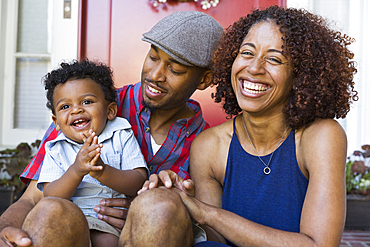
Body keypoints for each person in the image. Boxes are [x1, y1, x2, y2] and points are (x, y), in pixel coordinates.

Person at [0, 11, 223, 247]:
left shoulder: (207, 142)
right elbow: (34, 197)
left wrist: (153, 214)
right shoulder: (89, 107)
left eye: (175, 70)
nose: (156, 75)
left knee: (159, 208)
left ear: (203, 80)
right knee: (51, 210)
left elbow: (212, 232)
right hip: (74, 232)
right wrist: (4, 231)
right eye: (153, 58)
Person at [140, 5, 358, 247]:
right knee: (159, 204)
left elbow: (320, 245)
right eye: (246, 53)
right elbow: (215, 241)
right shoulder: (210, 145)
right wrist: (183, 201)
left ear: (301, 76)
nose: (253, 69)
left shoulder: (320, 136)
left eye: (274, 59)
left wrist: (208, 213)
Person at [36, 60, 148, 247]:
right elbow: (51, 196)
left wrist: (102, 172)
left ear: (110, 110)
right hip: (68, 220)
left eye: (87, 102)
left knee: (105, 241)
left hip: (106, 222)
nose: (76, 110)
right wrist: (76, 170)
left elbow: (138, 181)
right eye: (65, 107)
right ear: (56, 122)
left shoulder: (121, 134)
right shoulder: (56, 148)